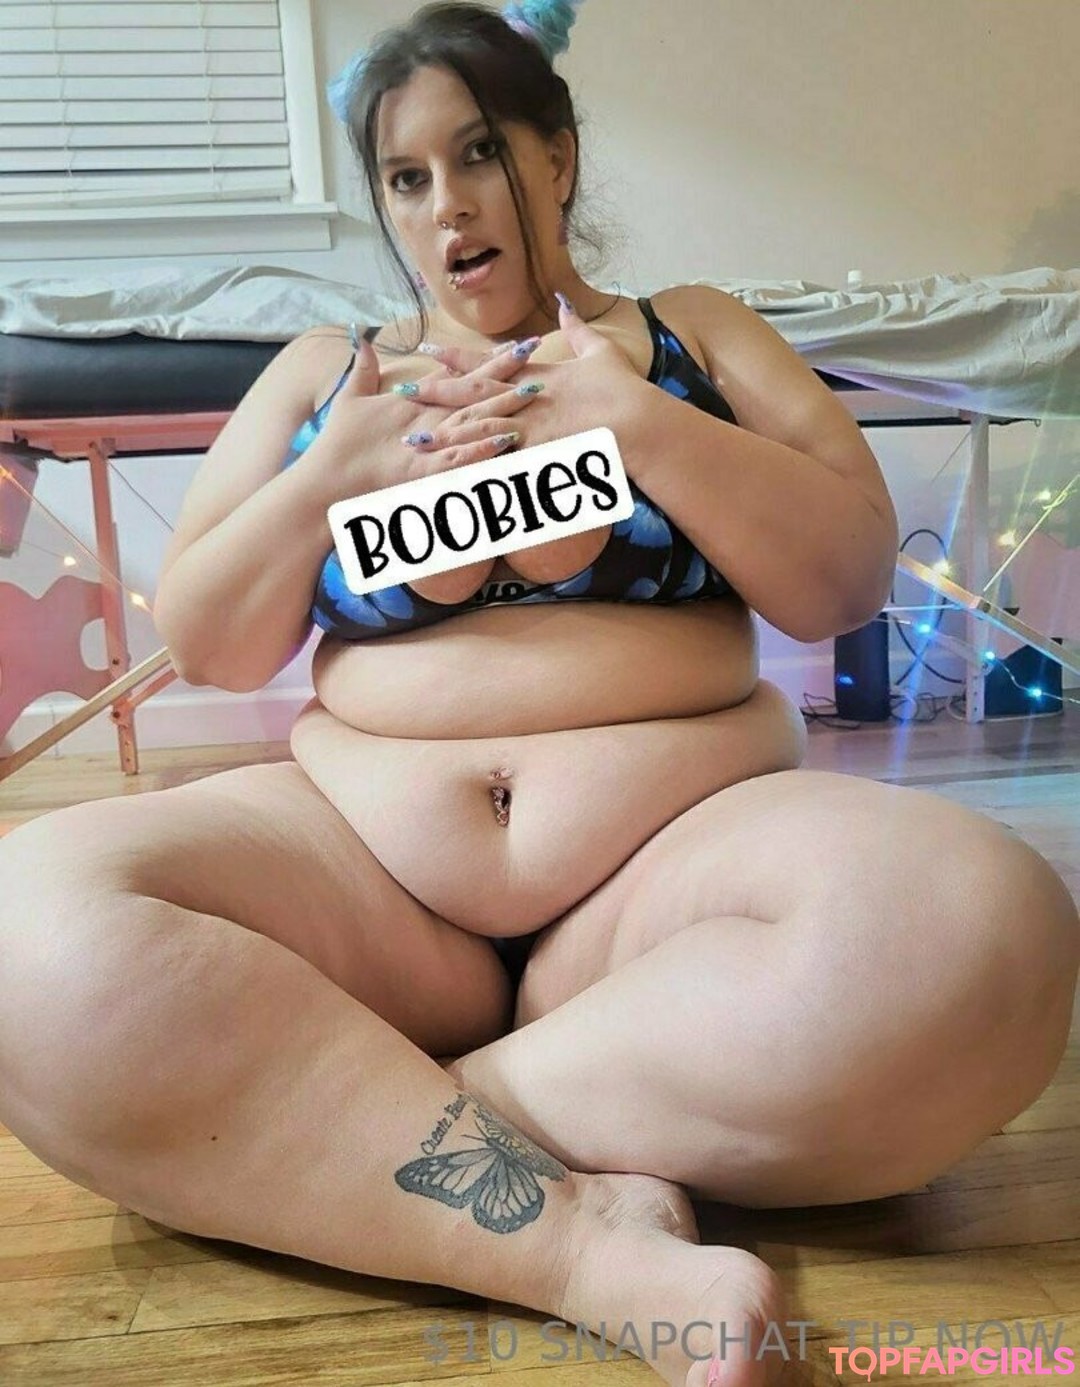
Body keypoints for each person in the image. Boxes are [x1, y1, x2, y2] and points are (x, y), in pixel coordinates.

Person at [1, 4, 1076, 1384]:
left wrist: (637, 422)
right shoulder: (331, 374)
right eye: (405, 177)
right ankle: (578, 1245)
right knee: (29, 932)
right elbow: (212, 643)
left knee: (988, 927)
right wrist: (333, 478)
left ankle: (334, 1126)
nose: (445, 203)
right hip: (367, 891)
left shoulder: (691, 335)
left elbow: (844, 577)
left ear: (557, 156)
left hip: (664, 886)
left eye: (479, 152)